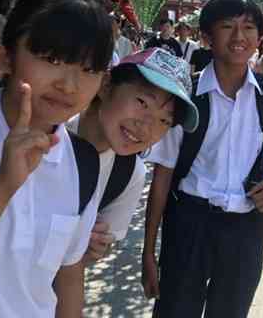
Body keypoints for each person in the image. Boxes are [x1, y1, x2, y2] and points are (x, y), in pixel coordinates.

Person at [0, 0, 115, 317]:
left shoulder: (83, 162)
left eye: (88, 69)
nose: (69, 85)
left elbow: (68, 275)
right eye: (52, 60)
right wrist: (3, 185)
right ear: (4, 58)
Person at [142, 0, 263, 318]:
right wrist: (148, 252)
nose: (239, 36)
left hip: (245, 228)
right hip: (189, 223)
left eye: (249, 27)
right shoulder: (185, 96)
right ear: (207, 36)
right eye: (227, 26)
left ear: (259, 37)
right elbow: (163, 174)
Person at [68, 48, 199, 264]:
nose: (146, 127)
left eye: (164, 121)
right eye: (142, 102)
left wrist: (94, 249)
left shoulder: (129, 174)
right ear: (106, 85)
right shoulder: (50, 134)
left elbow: (90, 255)